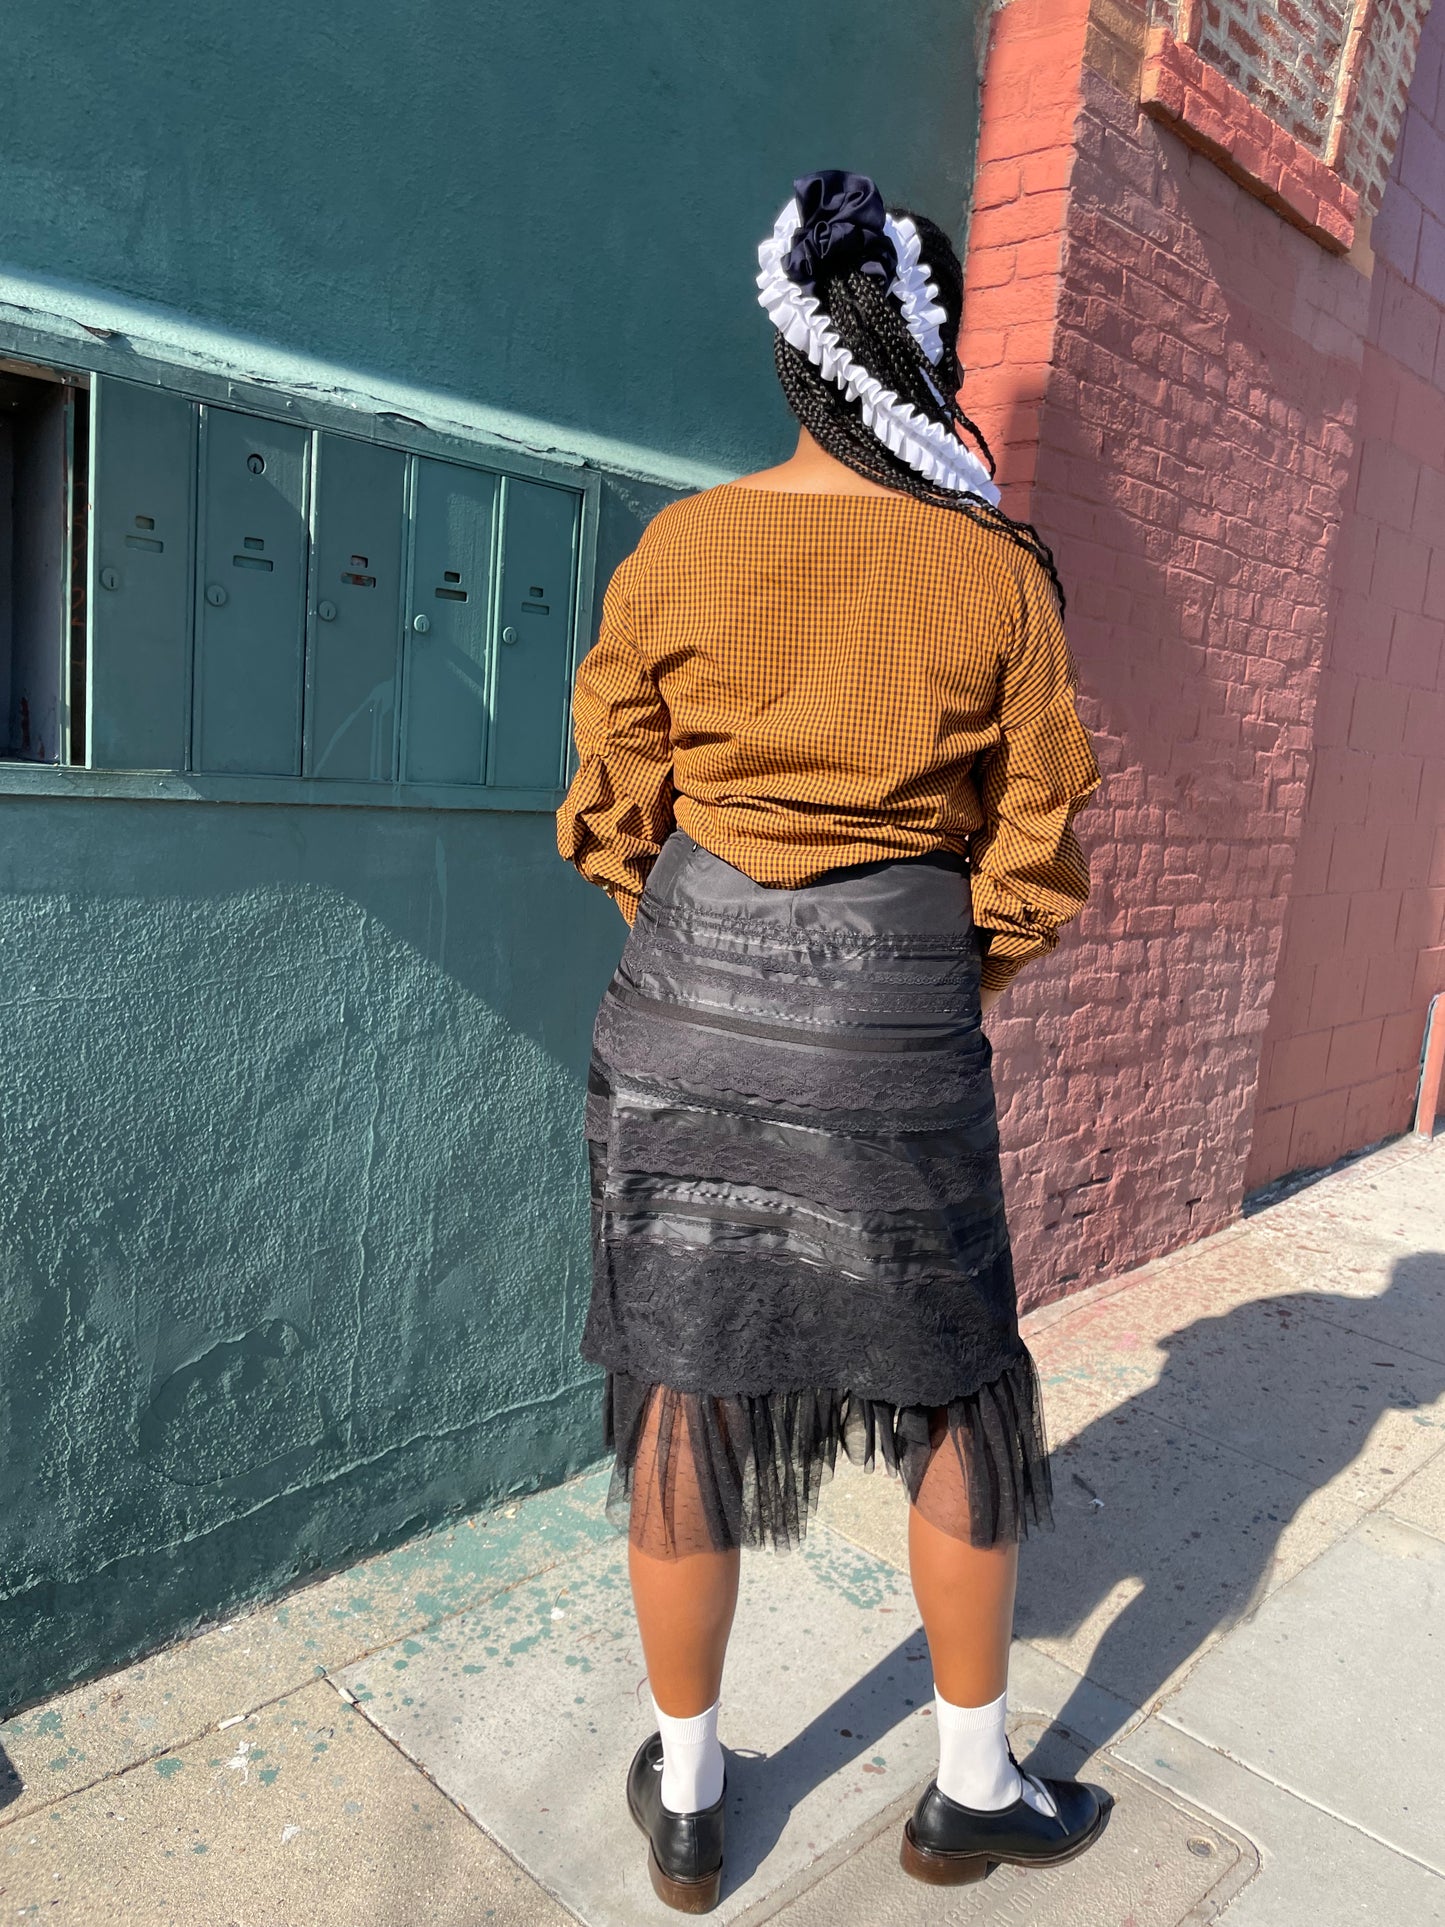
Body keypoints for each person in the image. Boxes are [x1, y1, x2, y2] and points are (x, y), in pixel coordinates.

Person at [556, 169, 1109, 1912]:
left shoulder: (682, 547)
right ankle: (966, 1791)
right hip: (893, 1015)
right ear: (915, 356)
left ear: (790, 357)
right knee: (956, 1389)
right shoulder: (994, 574)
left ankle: (696, 1796)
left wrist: (700, 938)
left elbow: (606, 798)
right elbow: (1033, 849)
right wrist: (936, 983)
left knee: (684, 1384)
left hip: (688, 1000)